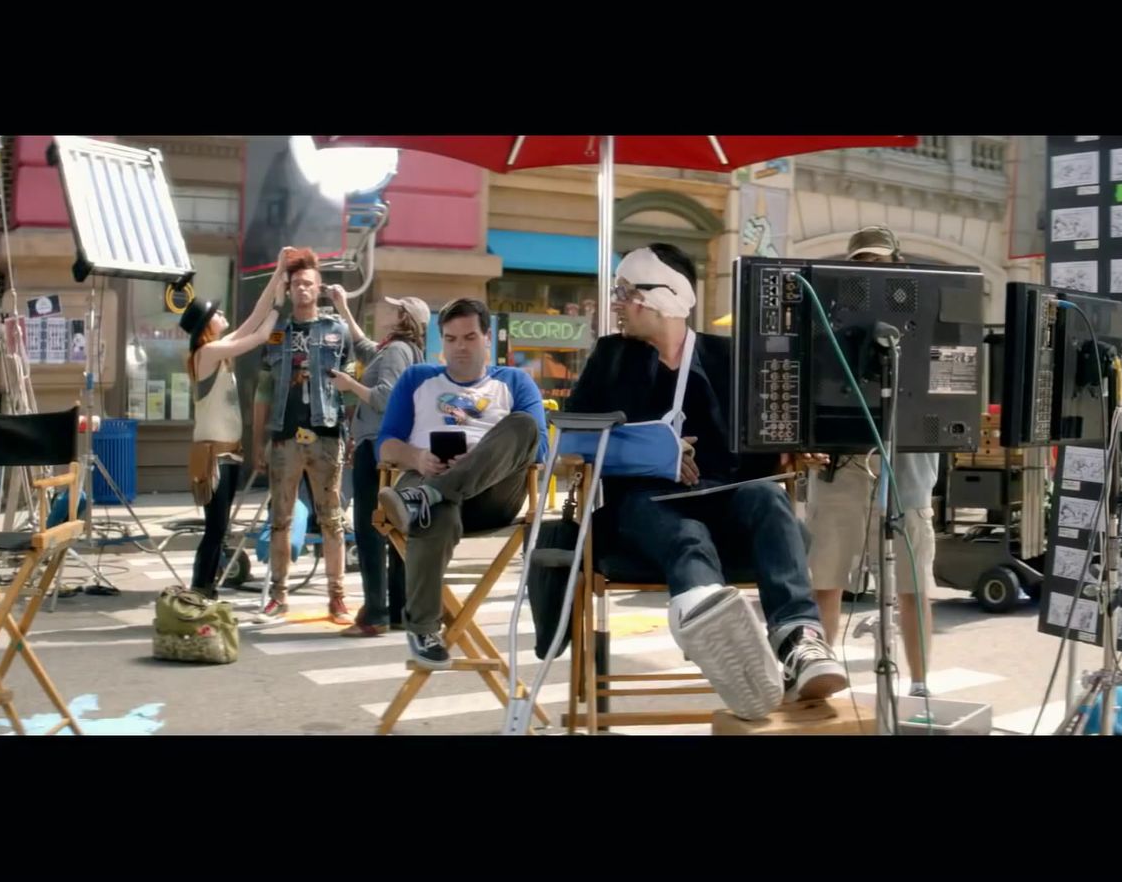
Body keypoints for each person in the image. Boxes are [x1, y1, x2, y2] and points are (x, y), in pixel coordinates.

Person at [564, 243, 846, 719]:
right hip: (645, 507)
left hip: (726, 499)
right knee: (685, 534)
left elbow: (764, 436)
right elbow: (571, 441)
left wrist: (792, 445)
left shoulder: (728, 358)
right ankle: (713, 623)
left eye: (627, 292)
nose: (616, 302)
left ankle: (799, 641)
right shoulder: (611, 357)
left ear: (668, 296)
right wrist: (654, 456)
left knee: (768, 498)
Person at [375, 298, 548, 668]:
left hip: (493, 491)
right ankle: (423, 629)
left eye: (470, 337)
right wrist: (417, 458)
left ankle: (429, 495)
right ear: (442, 342)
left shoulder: (514, 381)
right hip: (426, 476)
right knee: (435, 509)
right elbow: (386, 443)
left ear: (488, 338)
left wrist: (477, 458)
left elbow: (539, 447)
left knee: (525, 425)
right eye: (451, 339)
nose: (461, 347)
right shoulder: (417, 379)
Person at [806, 226, 940, 698]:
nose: (870, 273)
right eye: (860, 264)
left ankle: (920, 684)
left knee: (912, 584)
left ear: (897, 266)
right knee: (826, 575)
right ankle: (818, 678)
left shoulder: (925, 313)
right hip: (841, 462)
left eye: (879, 264)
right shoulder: (824, 315)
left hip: (906, 463)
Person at [252, 247, 357, 624]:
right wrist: (257, 442)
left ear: (319, 287)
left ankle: (338, 597)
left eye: (308, 284)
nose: (302, 290)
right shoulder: (276, 331)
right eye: (296, 283)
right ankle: (278, 597)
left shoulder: (336, 330)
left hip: (327, 434)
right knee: (280, 518)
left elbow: (348, 386)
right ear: (289, 287)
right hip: (282, 437)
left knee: (332, 519)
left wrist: (352, 436)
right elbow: (263, 389)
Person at [180, 249, 288, 599]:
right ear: (205, 327)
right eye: (216, 314)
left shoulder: (218, 351)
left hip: (226, 455)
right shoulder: (207, 354)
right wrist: (278, 307)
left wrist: (278, 273)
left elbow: (252, 318)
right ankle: (200, 588)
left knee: (219, 528)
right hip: (213, 457)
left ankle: (205, 587)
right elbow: (257, 336)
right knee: (215, 528)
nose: (222, 314)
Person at [325, 286, 430, 637]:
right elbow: (366, 348)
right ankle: (398, 609)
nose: (388, 312)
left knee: (371, 530)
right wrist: (343, 308)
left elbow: (384, 398)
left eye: (396, 309)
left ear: (406, 319)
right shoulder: (399, 350)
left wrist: (349, 385)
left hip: (375, 448)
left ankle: (375, 614)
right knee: (394, 529)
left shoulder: (398, 350)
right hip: (386, 449)